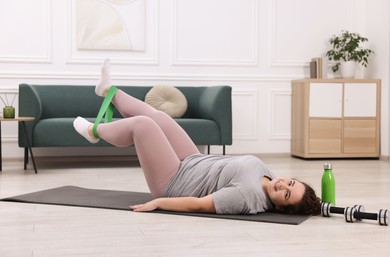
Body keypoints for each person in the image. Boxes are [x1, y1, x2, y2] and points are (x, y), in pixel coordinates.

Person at [74, 59, 321, 216]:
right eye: (291, 183)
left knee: (144, 126)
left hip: (173, 182)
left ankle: (94, 132)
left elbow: (199, 205)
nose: (283, 185)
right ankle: (107, 90)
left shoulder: (247, 197)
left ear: (279, 207)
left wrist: (159, 203)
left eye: (286, 194)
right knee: (160, 118)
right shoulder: (270, 176)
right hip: (192, 161)